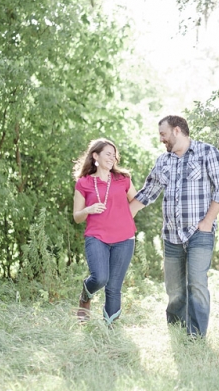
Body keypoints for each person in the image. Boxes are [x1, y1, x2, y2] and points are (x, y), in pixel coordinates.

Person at [130, 115, 219, 337]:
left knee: (197, 285)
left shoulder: (207, 152)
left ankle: (196, 337)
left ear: (176, 131)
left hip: (199, 233)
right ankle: (176, 333)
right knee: (174, 290)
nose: (161, 140)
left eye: (163, 134)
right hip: (171, 235)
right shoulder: (163, 161)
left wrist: (207, 222)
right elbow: (148, 192)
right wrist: (124, 215)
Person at [72, 138, 137, 324]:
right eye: (108, 153)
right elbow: (77, 217)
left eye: (114, 154)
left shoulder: (123, 179)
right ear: (95, 156)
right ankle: (86, 294)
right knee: (100, 278)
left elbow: (137, 201)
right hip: (97, 237)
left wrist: (125, 217)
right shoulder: (83, 183)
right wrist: (88, 210)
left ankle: (110, 331)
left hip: (124, 238)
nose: (113, 157)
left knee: (114, 288)